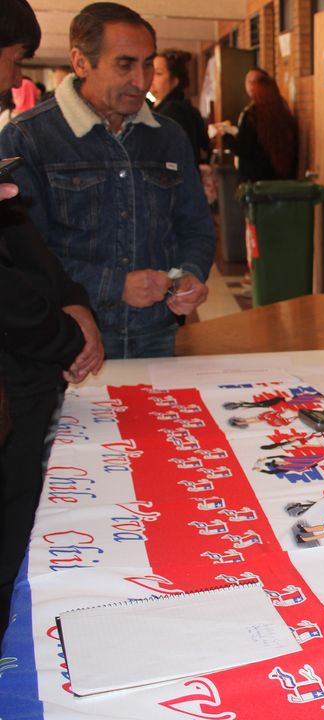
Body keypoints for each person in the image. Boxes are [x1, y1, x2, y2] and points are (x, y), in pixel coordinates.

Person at [0, 2, 215, 359]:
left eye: (148, 64)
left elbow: (196, 227)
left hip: (158, 334)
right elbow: (24, 257)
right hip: (75, 340)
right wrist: (114, 286)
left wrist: (190, 273)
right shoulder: (27, 139)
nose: (142, 81)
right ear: (81, 62)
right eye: (125, 64)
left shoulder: (169, 137)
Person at [0, 0, 104, 640]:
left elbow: (24, 240)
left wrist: (73, 300)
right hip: (20, 368)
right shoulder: (28, 132)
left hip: (37, 361)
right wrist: (66, 334)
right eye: (13, 59)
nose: (15, 78)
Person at [225, 68, 297, 183]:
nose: (250, 86)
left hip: (255, 182)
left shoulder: (252, 116)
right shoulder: (284, 114)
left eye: (253, 83)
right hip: (280, 180)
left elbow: (242, 148)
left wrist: (225, 136)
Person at [150, 48, 209, 166]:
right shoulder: (181, 106)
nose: (152, 79)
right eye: (150, 72)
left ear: (174, 81)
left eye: (158, 73)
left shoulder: (173, 111)